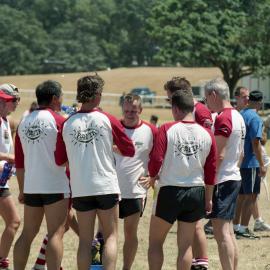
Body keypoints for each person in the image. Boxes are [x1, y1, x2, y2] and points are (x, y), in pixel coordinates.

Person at [54, 74, 135, 270]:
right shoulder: (107, 119)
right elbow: (130, 149)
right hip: (105, 185)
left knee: (84, 240)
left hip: (81, 188)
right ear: (98, 95)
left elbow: (59, 160)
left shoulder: (68, 123)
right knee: (111, 237)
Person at [147, 89, 216, 270]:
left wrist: (152, 176)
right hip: (196, 191)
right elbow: (211, 170)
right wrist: (208, 198)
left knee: (155, 243)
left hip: (170, 190)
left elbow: (156, 160)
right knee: (185, 246)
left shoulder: (167, 129)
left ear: (175, 108)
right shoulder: (207, 133)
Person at [14, 80, 70, 270]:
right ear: (55, 98)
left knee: (27, 233)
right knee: (56, 233)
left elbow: (19, 163)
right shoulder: (60, 120)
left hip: (31, 186)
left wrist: (22, 190)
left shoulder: (24, 122)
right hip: (55, 184)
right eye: (61, 96)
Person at [164, 76, 213, 269]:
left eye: (169, 99)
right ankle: (195, 260)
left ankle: (202, 262)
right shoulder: (191, 110)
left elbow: (204, 143)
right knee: (192, 225)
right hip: (191, 174)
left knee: (197, 224)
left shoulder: (200, 111)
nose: (169, 103)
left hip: (196, 175)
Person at [204, 78, 246, 270]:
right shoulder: (238, 115)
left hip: (222, 180)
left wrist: (210, 184)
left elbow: (217, 156)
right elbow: (241, 153)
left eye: (206, 98)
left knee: (221, 235)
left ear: (214, 95)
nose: (206, 103)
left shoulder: (223, 117)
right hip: (232, 176)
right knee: (228, 232)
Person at [114, 94, 157, 270]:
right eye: (126, 110)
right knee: (104, 233)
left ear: (140, 110)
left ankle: (126, 268)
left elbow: (158, 157)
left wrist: (153, 177)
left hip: (135, 190)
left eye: (133, 110)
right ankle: (101, 267)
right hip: (110, 190)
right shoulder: (113, 127)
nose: (130, 113)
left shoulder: (150, 130)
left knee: (130, 233)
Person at [233, 87, 270, 234]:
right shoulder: (255, 118)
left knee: (241, 196)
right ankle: (243, 228)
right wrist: (262, 164)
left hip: (241, 161)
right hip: (251, 162)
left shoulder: (241, 114)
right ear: (260, 103)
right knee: (252, 196)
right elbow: (256, 143)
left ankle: (236, 226)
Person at [0, 85, 21, 270]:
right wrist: (9, 158)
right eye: (14, 99)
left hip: (2, 180)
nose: (16, 103)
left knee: (13, 222)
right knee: (13, 221)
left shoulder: (7, 121)